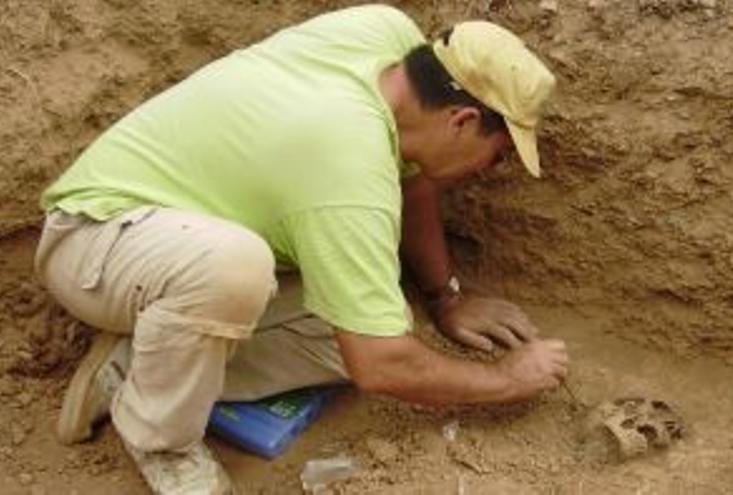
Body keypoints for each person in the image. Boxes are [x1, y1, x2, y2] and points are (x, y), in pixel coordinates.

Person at [35, 4, 568, 494]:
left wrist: (446, 298)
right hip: (96, 235)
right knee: (240, 273)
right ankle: (161, 439)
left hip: (180, 238)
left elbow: (414, 178)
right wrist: (506, 380)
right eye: (497, 154)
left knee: (358, 330)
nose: (490, 169)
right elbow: (381, 368)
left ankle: (134, 369)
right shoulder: (346, 167)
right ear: (463, 121)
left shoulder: (390, 41)